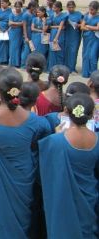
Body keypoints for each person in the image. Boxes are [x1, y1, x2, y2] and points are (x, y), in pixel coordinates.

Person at [0, 68, 51, 238]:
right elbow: (45, 141)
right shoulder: (36, 122)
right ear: (20, 90)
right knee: (23, 220)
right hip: (24, 179)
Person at [39, 93, 99, 239]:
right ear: (92, 115)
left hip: (62, 197)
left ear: (65, 111)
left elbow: (45, 169)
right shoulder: (97, 140)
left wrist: (56, 135)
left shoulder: (55, 141)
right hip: (89, 195)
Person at [80, 0, 99, 78]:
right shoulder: (86, 15)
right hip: (86, 38)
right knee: (86, 55)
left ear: (97, 9)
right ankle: (85, 73)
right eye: (90, 9)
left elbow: (97, 28)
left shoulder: (98, 17)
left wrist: (87, 26)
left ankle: (94, 74)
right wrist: (91, 28)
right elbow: (81, 27)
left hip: (95, 38)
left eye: (92, 9)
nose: (91, 11)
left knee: (93, 55)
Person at [63, 0, 82, 73]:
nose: (71, 9)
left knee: (73, 51)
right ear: (67, 7)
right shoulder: (65, 14)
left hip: (75, 35)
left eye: (72, 7)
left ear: (74, 7)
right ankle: (66, 67)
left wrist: (78, 25)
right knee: (66, 50)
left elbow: (83, 24)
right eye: (69, 7)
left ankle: (72, 68)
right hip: (67, 34)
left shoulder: (79, 14)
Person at [47, 1, 67, 70]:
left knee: (59, 50)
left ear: (59, 8)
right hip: (52, 33)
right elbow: (49, 26)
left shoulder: (63, 15)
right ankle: (52, 67)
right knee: (52, 51)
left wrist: (56, 37)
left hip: (59, 34)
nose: (53, 9)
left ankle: (59, 68)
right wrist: (56, 27)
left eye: (55, 8)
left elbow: (61, 27)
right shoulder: (52, 15)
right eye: (53, 7)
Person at [0, 0, 11, 64]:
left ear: (7, 3)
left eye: (3, 3)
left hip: (7, 29)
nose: (1, 4)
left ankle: (5, 60)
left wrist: (7, 30)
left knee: (5, 45)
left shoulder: (10, 11)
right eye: (1, 3)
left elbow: (11, 21)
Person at [21, 1, 37, 68]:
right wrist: (25, 36)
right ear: (31, 7)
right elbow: (24, 26)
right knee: (26, 49)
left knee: (31, 49)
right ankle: (24, 64)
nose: (35, 8)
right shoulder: (25, 14)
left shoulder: (33, 14)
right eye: (34, 7)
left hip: (32, 33)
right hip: (27, 31)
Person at [8, 0, 24, 67]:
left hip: (20, 32)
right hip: (13, 33)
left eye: (19, 7)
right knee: (12, 47)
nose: (17, 8)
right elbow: (10, 23)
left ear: (21, 7)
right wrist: (19, 24)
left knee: (18, 48)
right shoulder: (12, 14)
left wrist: (14, 23)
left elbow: (23, 23)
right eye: (16, 7)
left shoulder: (23, 14)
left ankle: (17, 63)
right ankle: (12, 63)